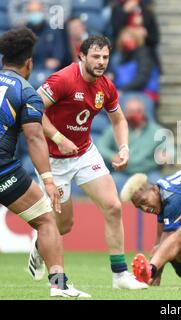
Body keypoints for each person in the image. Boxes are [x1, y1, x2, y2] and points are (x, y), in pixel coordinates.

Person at [29, 35, 147, 290]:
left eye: (105, 56)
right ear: (81, 56)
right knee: (64, 225)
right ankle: (40, 246)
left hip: (84, 153)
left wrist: (124, 147)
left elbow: (119, 120)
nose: (101, 61)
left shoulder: (106, 86)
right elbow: (33, 110)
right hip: (53, 160)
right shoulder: (62, 79)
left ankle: (120, 276)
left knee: (113, 207)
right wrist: (58, 137)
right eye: (96, 56)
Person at [0, 27, 89, 297]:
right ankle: (59, 286)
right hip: (2, 167)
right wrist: (48, 180)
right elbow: (36, 138)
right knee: (46, 221)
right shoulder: (27, 92)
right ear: (30, 63)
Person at [97, 95, 174, 190]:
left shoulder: (157, 131)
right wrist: (112, 156)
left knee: (160, 185)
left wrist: (167, 156)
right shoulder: (116, 129)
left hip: (148, 173)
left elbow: (171, 149)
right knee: (110, 184)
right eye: (130, 112)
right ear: (125, 113)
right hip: (123, 174)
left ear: (144, 112)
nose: (134, 115)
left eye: (138, 111)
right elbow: (101, 146)